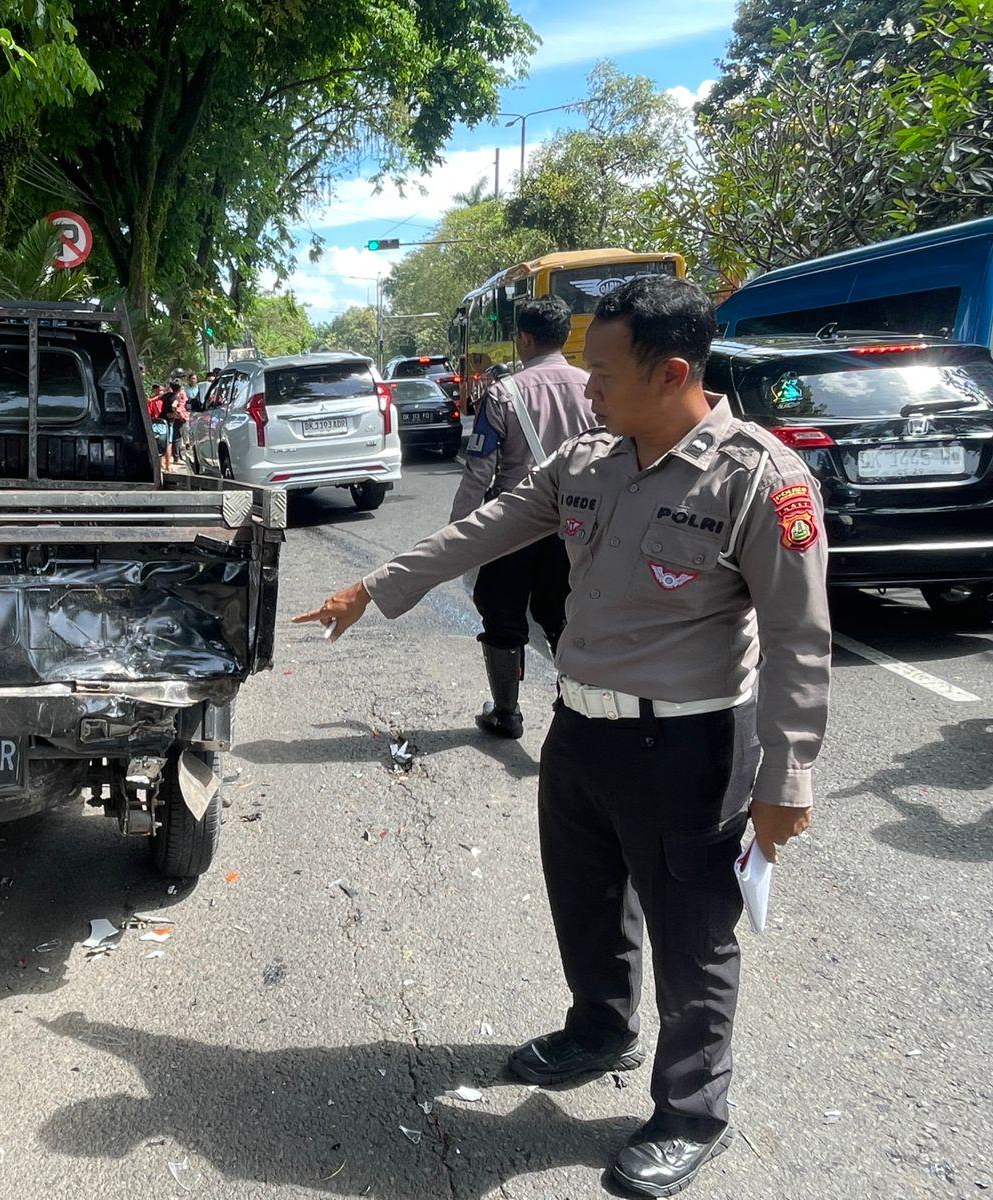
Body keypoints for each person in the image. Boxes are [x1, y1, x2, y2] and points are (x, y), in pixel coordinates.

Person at [294, 276, 831, 1198]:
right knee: (584, 898)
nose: (587, 392)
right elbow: (491, 523)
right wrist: (378, 585)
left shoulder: (758, 478)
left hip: (692, 747)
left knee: (692, 932)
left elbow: (798, 639)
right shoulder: (592, 461)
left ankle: (692, 1110)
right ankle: (599, 1029)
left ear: (671, 374)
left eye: (605, 376)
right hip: (581, 728)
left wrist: (787, 780)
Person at [452, 295, 595, 738]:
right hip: (575, 527)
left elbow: (479, 471)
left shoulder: (502, 392)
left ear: (524, 338)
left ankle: (506, 713)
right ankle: (576, 712)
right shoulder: (593, 387)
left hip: (511, 526)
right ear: (567, 336)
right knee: (566, 620)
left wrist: (458, 532)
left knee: (502, 620)